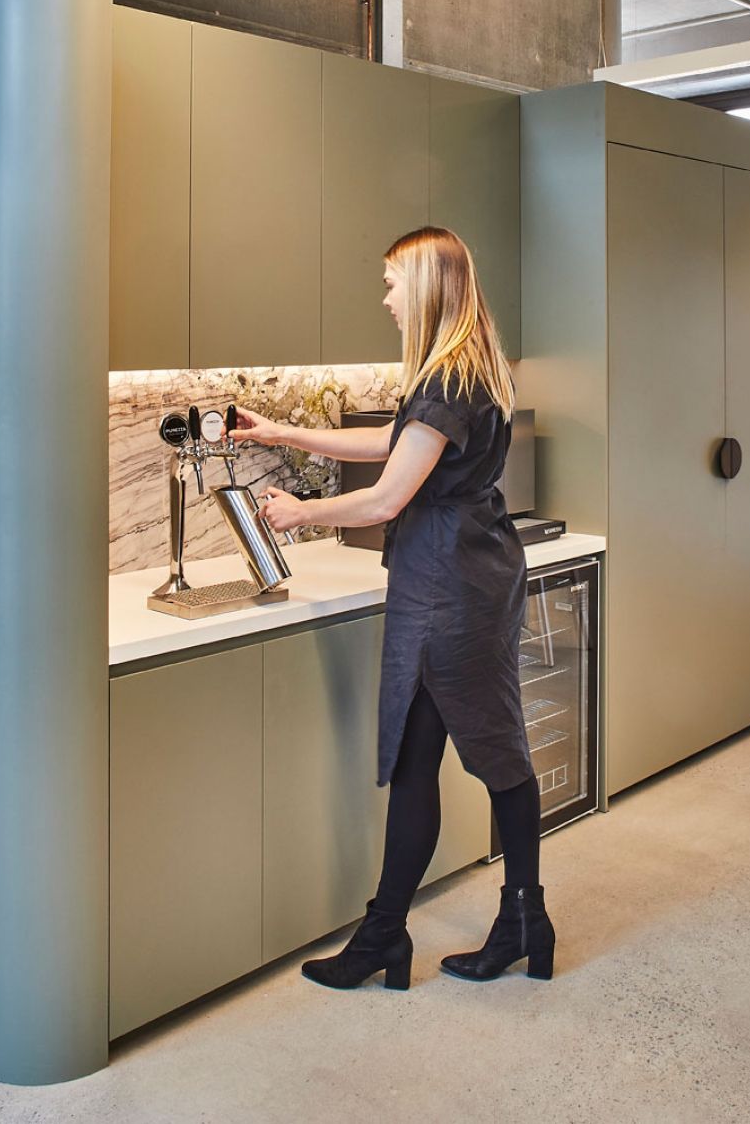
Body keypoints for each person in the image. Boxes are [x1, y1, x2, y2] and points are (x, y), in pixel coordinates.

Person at [229, 226, 553, 990]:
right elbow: (392, 449)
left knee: (494, 753)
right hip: (457, 571)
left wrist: (300, 515)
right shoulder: (460, 371)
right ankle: (392, 935)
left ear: (428, 285)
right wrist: (279, 430)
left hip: (449, 587)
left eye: (391, 282)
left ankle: (518, 920)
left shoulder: (449, 380)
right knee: (418, 757)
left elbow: (387, 496)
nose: (385, 298)